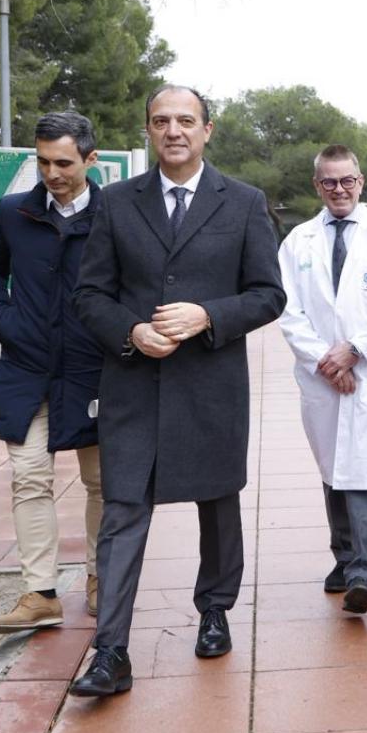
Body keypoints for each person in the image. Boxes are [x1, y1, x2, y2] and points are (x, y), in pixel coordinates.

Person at [67, 85, 286, 697]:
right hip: (134, 385)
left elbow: (269, 294)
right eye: (161, 121)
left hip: (210, 386)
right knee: (122, 512)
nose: (173, 131)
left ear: (208, 130)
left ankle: (214, 609)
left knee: (217, 505)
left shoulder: (243, 203)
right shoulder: (113, 203)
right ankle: (111, 651)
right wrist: (132, 331)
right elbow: (89, 296)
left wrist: (208, 317)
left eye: (185, 120)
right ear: (147, 131)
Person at [0, 111, 106, 634]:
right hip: (26, 369)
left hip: (95, 371)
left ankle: (100, 579)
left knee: (102, 482)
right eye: (43, 161)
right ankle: (40, 592)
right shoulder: (12, 213)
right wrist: (0, 317)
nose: (52, 173)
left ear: (90, 161)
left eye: (64, 163)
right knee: (29, 476)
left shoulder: (114, 214)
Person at [277, 144, 367, 614]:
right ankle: (344, 558)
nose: (340, 190)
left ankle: (362, 571)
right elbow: (288, 310)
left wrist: (355, 351)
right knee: (334, 470)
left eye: (348, 181)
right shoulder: (298, 242)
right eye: (330, 182)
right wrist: (327, 361)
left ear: (361, 181)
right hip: (322, 378)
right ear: (318, 185)